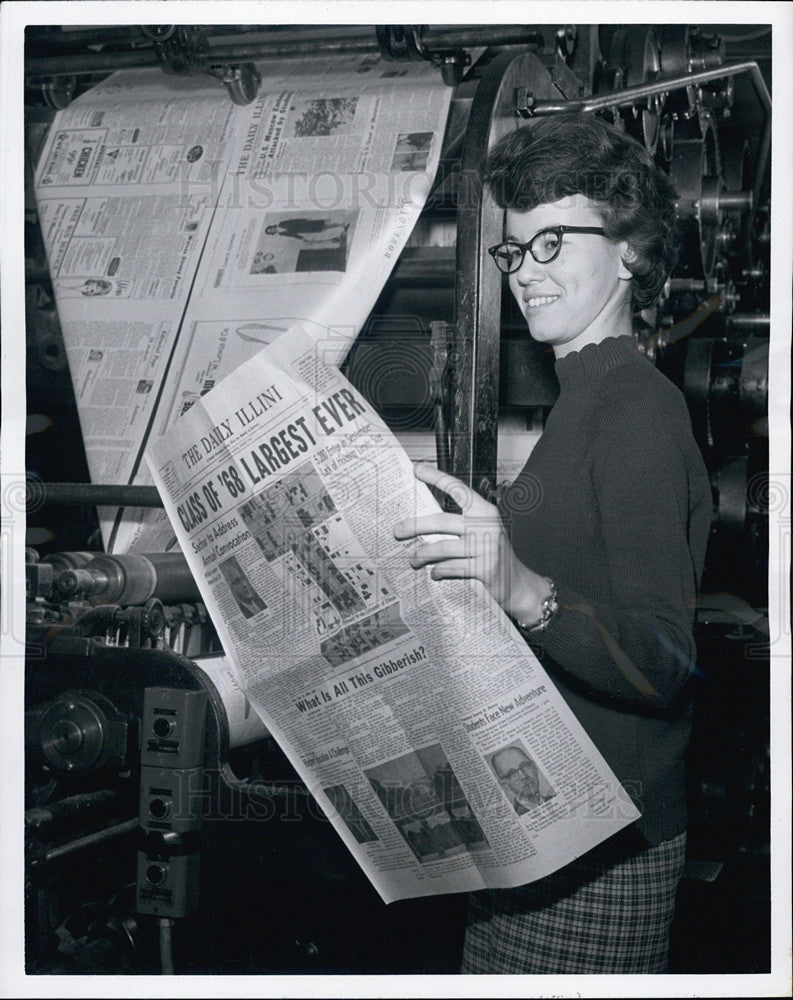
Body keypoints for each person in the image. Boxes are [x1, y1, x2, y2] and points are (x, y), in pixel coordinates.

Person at [393, 111, 712, 974]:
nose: (524, 274)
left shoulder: (637, 408)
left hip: (603, 855)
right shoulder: (582, 401)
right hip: (538, 834)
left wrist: (524, 590)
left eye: (551, 245)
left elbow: (663, 663)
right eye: (514, 249)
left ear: (632, 251)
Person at [491, 745, 554, 815]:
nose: (524, 776)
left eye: (525, 767)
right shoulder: (514, 815)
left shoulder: (554, 799)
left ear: (534, 767)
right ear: (504, 784)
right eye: (512, 773)